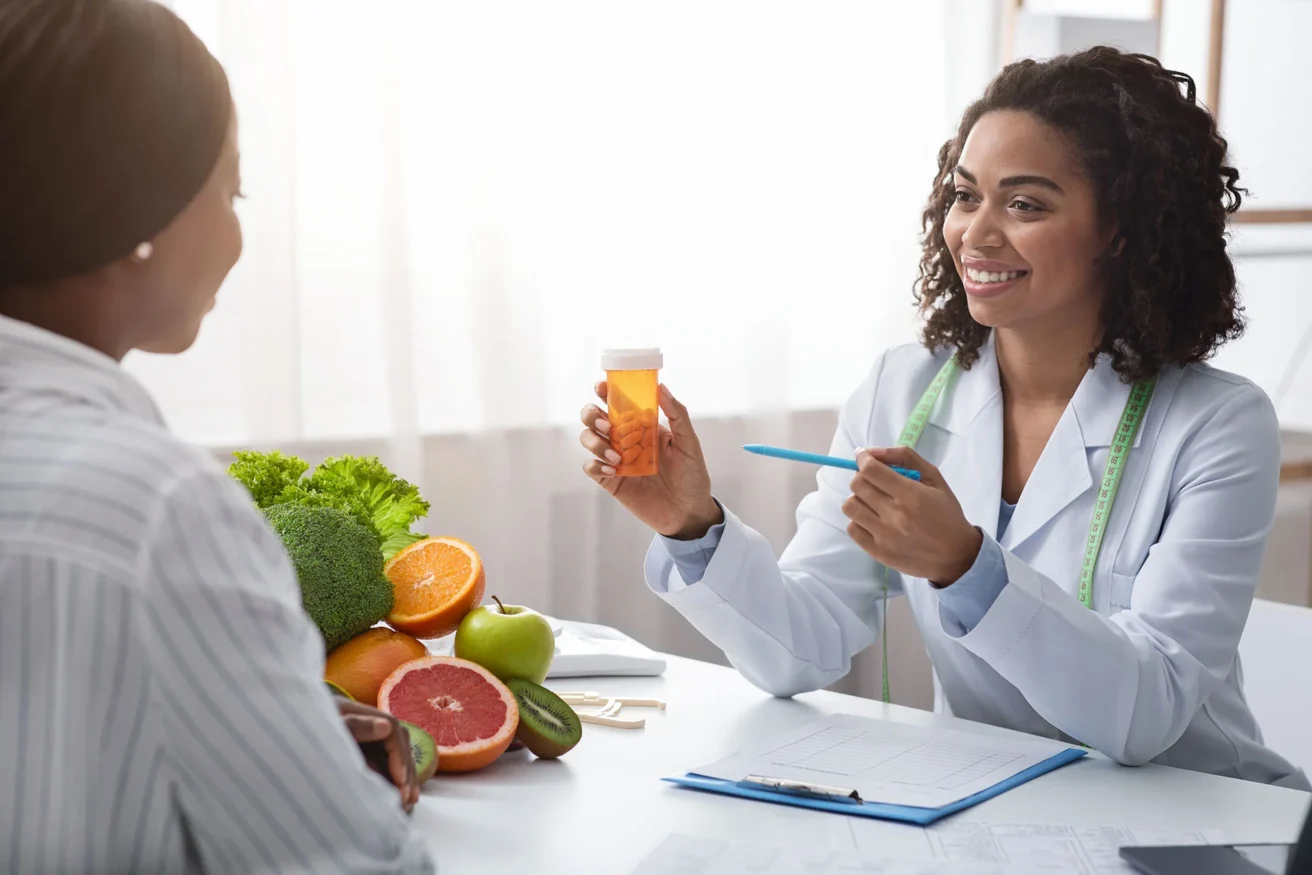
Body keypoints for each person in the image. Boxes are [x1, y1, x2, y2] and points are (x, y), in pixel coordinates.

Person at [580, 46, 1308, 788]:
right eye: (966, 196)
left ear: (1120, 229)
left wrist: (965, 566)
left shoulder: (1218, 427)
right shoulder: (904, 388)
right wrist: (692, 525)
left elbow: (1146, 713)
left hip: (1208, 820)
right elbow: (802, 644)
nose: (977, 234)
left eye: (1025, 204)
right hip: (999, 810)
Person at [0, 2, 436, 872]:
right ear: (139, 214)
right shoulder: (159, 507)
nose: (236, 234)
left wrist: (260, 724)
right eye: (231, 192)